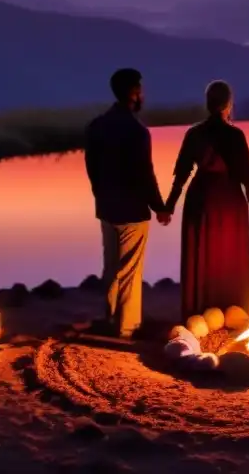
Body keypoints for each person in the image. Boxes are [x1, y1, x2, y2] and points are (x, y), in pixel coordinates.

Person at [165, 81, 249, 318]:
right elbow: (247, 175)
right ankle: (234, 309)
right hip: (229, 198)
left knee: (204, 253)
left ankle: (201, 310)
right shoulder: (235, 135)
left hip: (201, 196)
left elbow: (181, 174)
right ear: (228, 105)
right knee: (229, 253)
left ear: (208, 103)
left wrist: (168, 206)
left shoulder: (194, 133)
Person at [83, 68, 171, 339]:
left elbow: (92, 168)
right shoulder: (137, 131)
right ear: (134, 93)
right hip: (132, 210)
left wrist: (100, 194)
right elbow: (145, 173)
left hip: (107, 207)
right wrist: (160, 207)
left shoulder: (96, 126)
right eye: (140, 89)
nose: (143, 94)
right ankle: (127, 327)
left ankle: (110, 318)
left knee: (110, 268)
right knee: (130, 270)